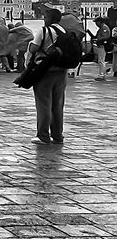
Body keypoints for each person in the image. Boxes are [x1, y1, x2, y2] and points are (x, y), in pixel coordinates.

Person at [26, 8, 68, 145]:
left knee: (44, 103)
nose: (44, 19)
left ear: (49, 19)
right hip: (61, 71)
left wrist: (31, 45)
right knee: (58, 104)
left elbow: (34, 48)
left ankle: (43, 135)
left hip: (45, 71)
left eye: (45, 17)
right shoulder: (64, 32)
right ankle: (57, 136)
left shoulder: (44, 31)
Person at [91, 17, 111, 82]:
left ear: (100, 22)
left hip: (102, 45)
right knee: (101, 60)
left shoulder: (104, 28)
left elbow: (106, 37)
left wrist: (98, 40)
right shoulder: (102, 28)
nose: (96, 24)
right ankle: (102, 74)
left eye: (96, 22)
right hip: (100, 45)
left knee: (101, 61)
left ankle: (102, 75)